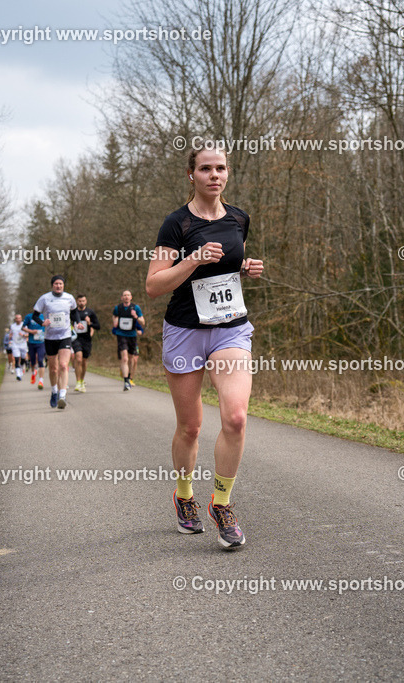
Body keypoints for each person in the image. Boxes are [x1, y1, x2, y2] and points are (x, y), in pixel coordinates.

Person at [145, 146, 263, 550]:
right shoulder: (176, 224)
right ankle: (184, 496)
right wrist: (192, 260)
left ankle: (222, 504)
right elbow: (154, 284)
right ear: (191, 175)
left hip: (230, 329)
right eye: (206, 168)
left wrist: (245, 267)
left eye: (221, 168)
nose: (215, 175)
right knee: (190, 426)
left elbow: (228, 267)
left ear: (228, 173)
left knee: (236, 417)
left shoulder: (239, 219)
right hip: (185, 331)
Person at [32, 275, 77, 409]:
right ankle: (54, 391)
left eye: (61, 284)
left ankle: (62, 395)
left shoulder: (69, 298)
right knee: (53, 369)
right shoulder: (44, 298)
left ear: (63, 285)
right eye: (56, 284)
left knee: (63, 365)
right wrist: (42, 322)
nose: (58, 286)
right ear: (52, 285)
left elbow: (74, 313)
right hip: (50, 337)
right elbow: (35, 315)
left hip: (65, 335)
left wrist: (78, 322)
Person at [112, 290, 144, 391]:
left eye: (128, 295)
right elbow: (114, 317)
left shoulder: (136, 308)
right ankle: (126, 381)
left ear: (131, 297)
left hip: (132, 335)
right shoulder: (118, 308)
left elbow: (143, 322)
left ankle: (129, 377)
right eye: (124, 295)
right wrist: (115, 322)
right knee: (125, 358)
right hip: (121, 335)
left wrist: (136, 316)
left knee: (131, 359)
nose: (126, 297)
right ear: (122, 297)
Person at [72, 293, 100, 392]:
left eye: (83, 301)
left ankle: (82, 380)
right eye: (79, 301)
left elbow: (98, 326)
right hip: (76, 338)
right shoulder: (73, 313)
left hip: (87, 339)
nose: (81, 303)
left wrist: (89, 323)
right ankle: (78, 382)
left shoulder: (90, 312)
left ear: (86, 301)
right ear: (77, 302)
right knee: (78, 358)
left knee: (84, 361)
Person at [22, 309, 47, 389]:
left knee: (40, 360)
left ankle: (41, 381)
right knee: (32, 361)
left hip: (41, 342)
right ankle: (33, 373)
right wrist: (31, 331)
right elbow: (23, 327)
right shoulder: (29, 316)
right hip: (31, 342)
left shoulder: (44, 316)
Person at [7, 313, 28, 381]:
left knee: (23, 358)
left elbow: (28, 335)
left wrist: (23, 335)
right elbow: (10, 334)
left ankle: (21, 368)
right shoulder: (12, 326)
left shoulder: (25, 325)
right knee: (16, 359)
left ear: (21, 319)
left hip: (23, 344)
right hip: (15, 344)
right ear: (15, 319)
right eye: (17, 318)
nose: (18, 319)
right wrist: (10, 337)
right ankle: (18, 374)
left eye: (19, 318)